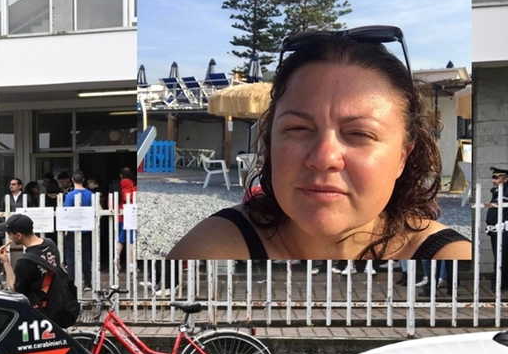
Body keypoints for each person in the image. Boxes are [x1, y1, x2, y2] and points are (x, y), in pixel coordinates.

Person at [169, 27, 471, 261]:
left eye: (359, 134)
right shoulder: (211, 251)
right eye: (298, 128)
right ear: (270, 140)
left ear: (403, 158)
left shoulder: (454, 261)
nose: (324, 157)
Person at [0, 213, 62, 312]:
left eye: (9, 233)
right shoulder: (50, 243)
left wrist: (6, 262)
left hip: (39, 310)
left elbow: (15, 287)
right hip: (56, 302)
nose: (9, 237)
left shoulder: (25, 262)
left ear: (19, 235)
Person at [62, 171, 94, 289]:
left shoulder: (70, 196)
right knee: (86, 256)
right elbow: (98, 210)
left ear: (72, 180)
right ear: (84, 179)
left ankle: (71, 281)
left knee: (70, 257)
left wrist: (66, 228)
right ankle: (88, 282)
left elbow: (67, 213)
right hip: (86, 229)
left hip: (72, 229)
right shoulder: (91, 194)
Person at [114, 166, 138, 274]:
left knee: (120, 240)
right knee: (132, 241)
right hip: (132, 217)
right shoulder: (135, 188)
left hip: (120, 217)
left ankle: (116, 260)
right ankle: (132, 265)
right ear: (131, 176)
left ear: (120, 176)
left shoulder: (116, 188)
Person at [488, 167, 508, 290]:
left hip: (504, 230)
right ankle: (498, 281)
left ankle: (500, 282)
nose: (493, 180)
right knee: (498, 256)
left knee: (502, 257)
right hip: (495, 230)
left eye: (496, 177)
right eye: (493, 177)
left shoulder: (506, 192)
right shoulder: (497, 191)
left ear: (505, 179)